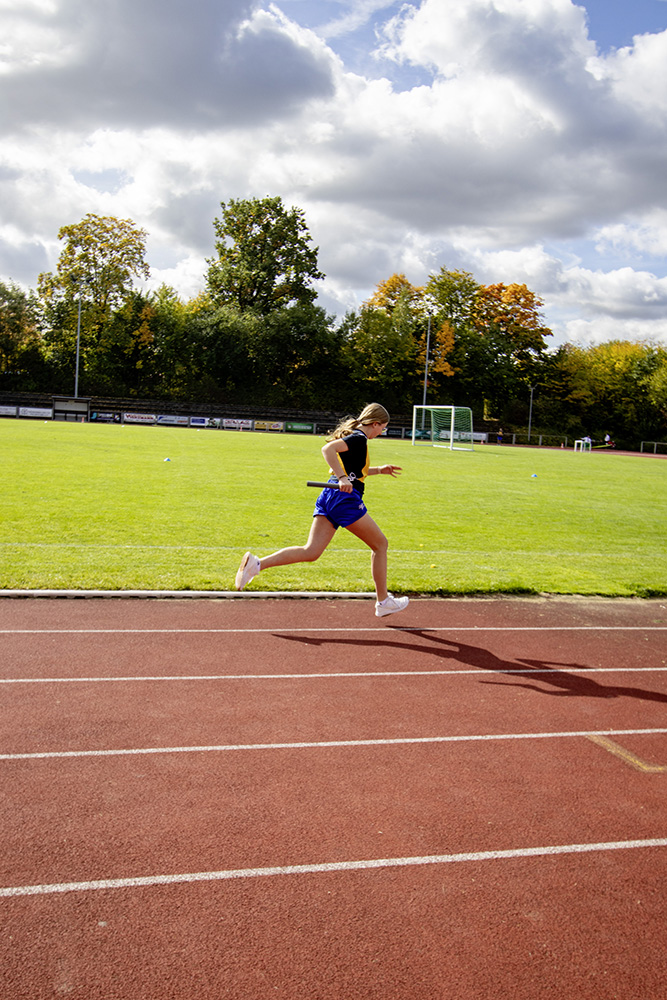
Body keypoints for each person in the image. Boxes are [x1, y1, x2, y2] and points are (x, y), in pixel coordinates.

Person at [235, 402, 409, 618]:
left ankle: (256, 565)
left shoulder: (356, 439)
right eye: (382, 427)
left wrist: (378, 471)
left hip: (330, 496)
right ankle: (383, 601)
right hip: (344, 499)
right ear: (375, 423)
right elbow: (328, 450)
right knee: (380, 544)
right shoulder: (358, 438)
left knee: (311, 552)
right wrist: (343, 478)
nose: (382, 432)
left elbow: (353, 472)